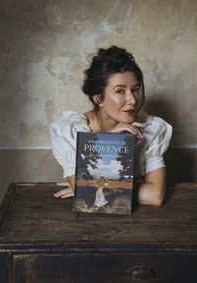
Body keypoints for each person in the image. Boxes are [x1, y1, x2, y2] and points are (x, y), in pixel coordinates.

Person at [50, 46, 172, 206]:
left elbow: (155, 196)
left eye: (135, 90)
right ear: (98, 99)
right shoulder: (72, 131)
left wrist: (91, 188)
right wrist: (108, 141)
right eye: (120, 91)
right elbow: (85, 194)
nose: (133, 100)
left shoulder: (150, 129)